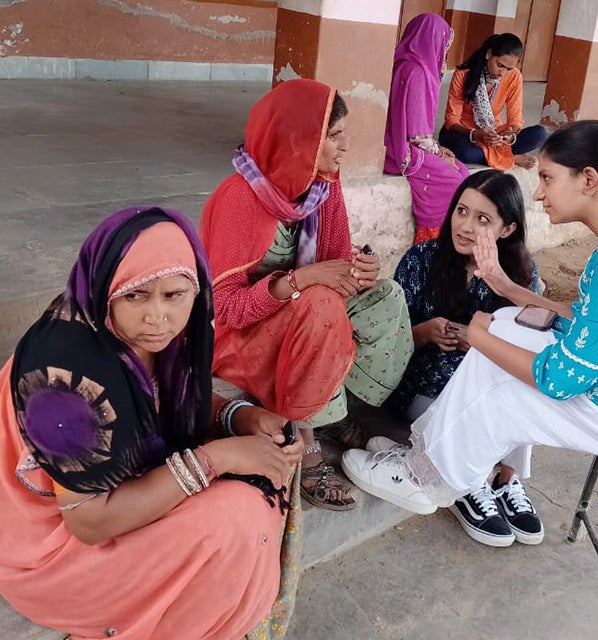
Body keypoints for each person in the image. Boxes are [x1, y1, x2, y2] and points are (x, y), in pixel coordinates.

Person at [343, 120, 598, 546]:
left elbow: (562, 379)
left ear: (589, 179)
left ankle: (431, 478)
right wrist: (504, 289)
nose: (538, 193)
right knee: (510, 324)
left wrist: (480, 336)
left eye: (547, 178)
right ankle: (428, 456)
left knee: (507, 389)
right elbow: (585, 321)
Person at [0, 206, 305, 640]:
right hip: (53, 550)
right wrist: (215, 457)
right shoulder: (64, 384)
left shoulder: (149, 336)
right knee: (236, 518)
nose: (157, 317)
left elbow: (163, 394)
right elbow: (89, 523)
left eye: (174, 295)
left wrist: (237, 415)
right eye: (136, 295)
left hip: (108, 501)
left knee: (259, 486)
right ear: (105, 287)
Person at [200, 79, 413, 511]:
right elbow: (226, 309)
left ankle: (330, 406)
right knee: (319, 303)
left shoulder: (322, 187)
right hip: (240, 334)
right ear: (300, 140)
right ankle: (307, 438)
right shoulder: (239, 199)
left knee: (386, 296)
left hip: (302, 314)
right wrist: (300, 282)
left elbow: (335, 262)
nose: (345, 146)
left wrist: (360, 270)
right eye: (334, 136)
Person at [381, 169, 547, 546]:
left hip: (483, 376)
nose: (466, 226)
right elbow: (386, 343)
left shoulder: (521, 274)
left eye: (483, 219)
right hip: (422, 382)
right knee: (481, 394)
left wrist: (479, 343)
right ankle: (467, 484)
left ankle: (506, 480)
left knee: (520, 385)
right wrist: (424, 332)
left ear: (507, 230)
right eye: (462, 211)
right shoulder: (421, 260)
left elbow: (529, 339)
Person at [384, 13, 470, 244]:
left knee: (462, 171)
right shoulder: (417, 72)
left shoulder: (406, 63)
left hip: (405, 144)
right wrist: (438, 152)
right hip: (403, 151)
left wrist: (439, 149)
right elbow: (417, 136)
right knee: (455, 183)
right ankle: (430, 245)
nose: (443, 52)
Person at [439, 33, 546, 171]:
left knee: (539, 134)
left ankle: (497, 153)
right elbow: (451, 120)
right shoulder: (463, 74)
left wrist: (509, 135)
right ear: (489, 54)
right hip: (465, 134)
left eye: (509, 69)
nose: (502, 73)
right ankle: (511, 157)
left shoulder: (514, 77)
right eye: (500, 65)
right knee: (464, 152)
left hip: (494, 135)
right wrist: (476, 134)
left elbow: (516, 119)